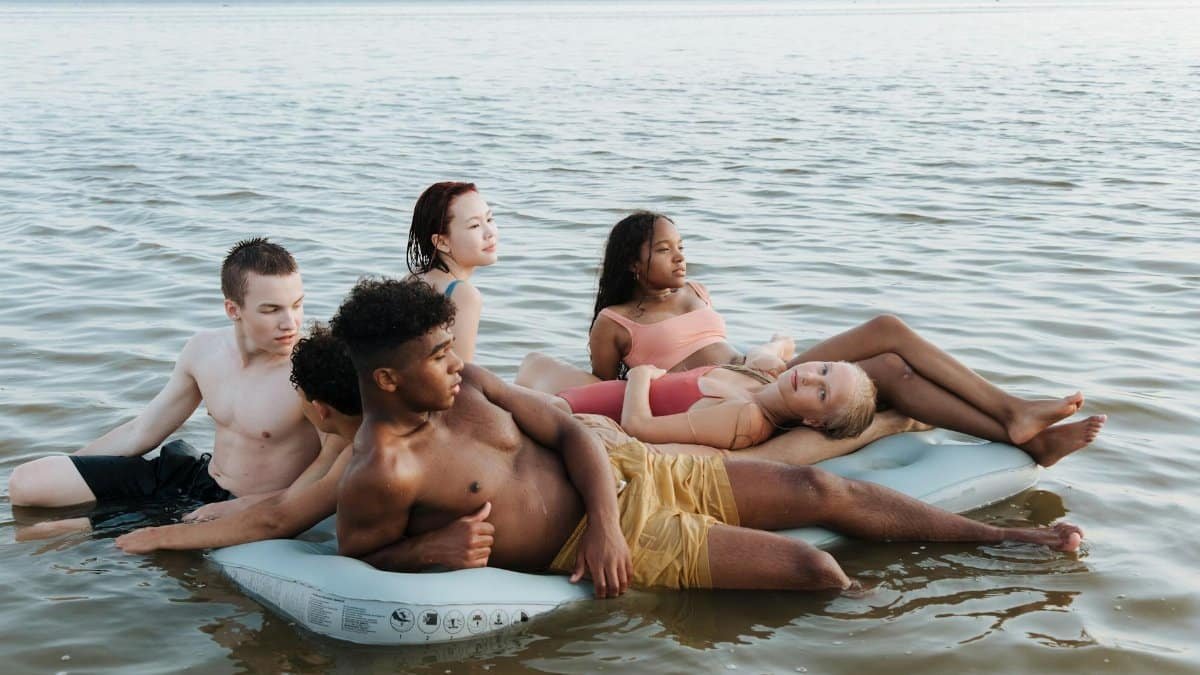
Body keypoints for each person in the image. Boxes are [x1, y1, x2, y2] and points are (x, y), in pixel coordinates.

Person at [333, 278, 1083, 596]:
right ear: (389, 380)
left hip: (631, 466)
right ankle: (907, 609)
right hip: (625, 532)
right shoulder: (384, 470)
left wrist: (601, 521)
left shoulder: (473, 384)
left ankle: (1003, 544)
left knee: (821, 487)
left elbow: (567, 429)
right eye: (435, 356)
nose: (453, 360)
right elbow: (359, 551)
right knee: (815, 571)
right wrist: (424, 552)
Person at [525, 211, 1105, 467]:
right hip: (732, 396)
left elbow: (725, 345)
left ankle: (1016, 415)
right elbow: (612, 388)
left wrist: (774, 353)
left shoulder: (696, 289)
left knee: (889, 335)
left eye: (681, 246)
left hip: (763, 374)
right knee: (889, 363)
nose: (681, 257)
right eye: (665, 250)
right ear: (632, 262)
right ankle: (1022, 431)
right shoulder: (615, 324)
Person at [114, 324, 490, 568]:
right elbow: (301, 490)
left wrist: (158, 536)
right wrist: (243, 503)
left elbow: (279, 518)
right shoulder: (389, 420)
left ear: (321, 411)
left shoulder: (370, 454)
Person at [8, 239, 323, 514]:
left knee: (49, 532)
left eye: (297, 305)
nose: (290, 323)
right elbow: (141, 432)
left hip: (248, 502)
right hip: (195, 480)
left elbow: (334, 467)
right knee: (27, 485)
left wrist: (257, 506)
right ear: (233, 309)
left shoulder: (311, 369)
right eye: (271, 310)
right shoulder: (204, 350)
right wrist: (76, 467)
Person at [550, 360, 877, 450]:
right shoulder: (763, 382)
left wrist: (639, 374)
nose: (809, 378)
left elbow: (640, 428)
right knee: (534, 362)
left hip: (570, 413)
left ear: (815, 423)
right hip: (585, 396)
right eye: (823, 370)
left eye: (822, 393)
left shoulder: (745, 418)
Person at [405, 181, 498, 362]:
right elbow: (460, 376)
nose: (490, 233)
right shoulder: (462, 294)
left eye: (489, 219)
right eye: (474, 226)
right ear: (442, 242)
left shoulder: (413, 277)